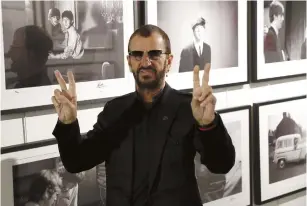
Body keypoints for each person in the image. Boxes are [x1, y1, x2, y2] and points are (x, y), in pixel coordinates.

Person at [51, 24, 235, 206]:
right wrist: (68, 123)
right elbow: (76, 162)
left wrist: (209, 124)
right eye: (137, 55)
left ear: (169, 61)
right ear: (129, 62)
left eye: (154, 54)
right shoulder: (114, 111)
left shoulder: (187, 108)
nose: (145, 62)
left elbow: (221, 164)